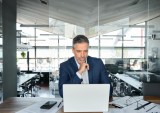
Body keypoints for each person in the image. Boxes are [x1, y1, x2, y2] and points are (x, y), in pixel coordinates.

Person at [58, 35, 113, 99]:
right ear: (73, 50)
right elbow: (62, 93)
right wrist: (79, 73)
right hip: (75, 104)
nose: (82, 55)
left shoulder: (98, 63)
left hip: (95, 102)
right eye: (79, 51)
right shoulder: (65, 66)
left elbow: (109, 90)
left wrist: (91, 96)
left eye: (85, 51)